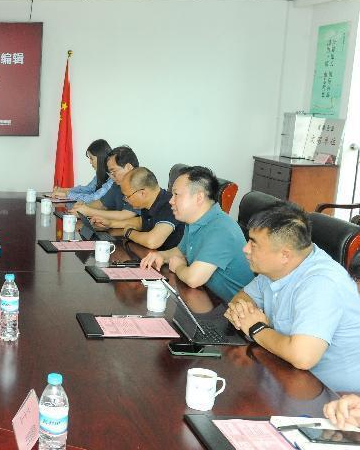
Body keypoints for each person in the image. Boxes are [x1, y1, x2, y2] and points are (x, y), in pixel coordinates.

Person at [224, 204, 360, 392]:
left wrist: (256, 327)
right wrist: (244, 314)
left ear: (285, 255)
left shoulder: (321, 283)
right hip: (286, 375)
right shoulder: (278, 267)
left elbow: (303, 357)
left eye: (253, 244)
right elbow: (242, 297)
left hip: (335, 396)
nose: (245, 249)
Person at [141, 166, 252, 302]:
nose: (171, 200)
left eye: (176, 194)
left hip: (232, 308)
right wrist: (161, 256)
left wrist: (178, 267)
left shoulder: (221, 229)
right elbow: (181, 252)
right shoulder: (194, 221)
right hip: (207, 298)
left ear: (199, 197)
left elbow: (194, 279)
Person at [91, 167, 185, 250]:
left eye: (127, 196)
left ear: (142, 193)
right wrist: (110, 223)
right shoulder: (150, 203)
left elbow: (152, 242)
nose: (126, 200)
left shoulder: (170, 205)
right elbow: (141, 222)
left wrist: (129, 233)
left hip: (168, 261)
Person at [71, 145, 140, 222]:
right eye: (110, 172)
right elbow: (101, 204)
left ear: (128, 167)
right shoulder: (117, 184)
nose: (112, 176)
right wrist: (82, 207)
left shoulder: (140, 183)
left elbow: (124, 215)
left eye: (114, 171)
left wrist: (88, 211)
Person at [51, 139, 113, 203]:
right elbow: (88, 189)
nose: (90, 162)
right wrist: (64, 190)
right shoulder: (101, 175)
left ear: (101, 158)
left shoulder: (113, 178)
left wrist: (67, 194)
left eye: (92, 159)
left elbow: (94, 198)